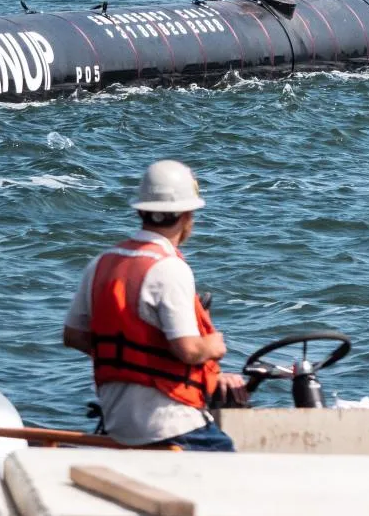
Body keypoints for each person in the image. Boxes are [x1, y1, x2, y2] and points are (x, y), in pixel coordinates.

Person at [62, 159, 246, 450]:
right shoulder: (170, 268)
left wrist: (131, 363)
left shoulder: (102, 262)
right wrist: (215, 345)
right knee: (234, 469)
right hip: (169, 423)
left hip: (116, 419)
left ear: (141, 211)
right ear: (187, 216)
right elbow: (188, 349)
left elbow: (73, 335)